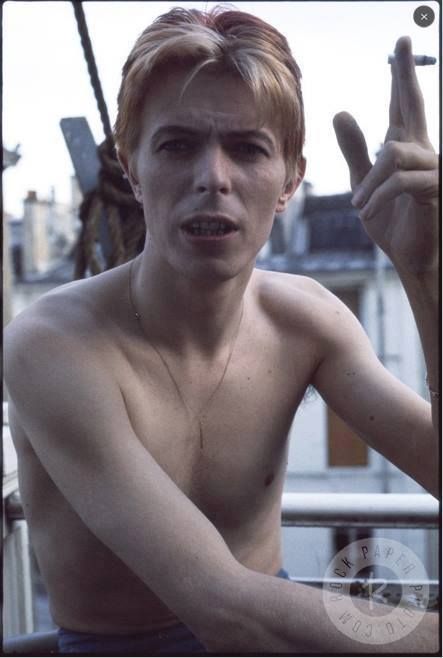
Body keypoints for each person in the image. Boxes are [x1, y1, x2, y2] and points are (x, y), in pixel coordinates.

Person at [4, 6, 439, 655]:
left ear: (290, 178)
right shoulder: (54, 343)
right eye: (177, 145)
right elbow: (225, 609)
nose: (213, 177)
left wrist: (426, 279)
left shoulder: (305, 318)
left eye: (246, 147)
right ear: (131, 165)